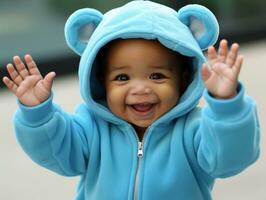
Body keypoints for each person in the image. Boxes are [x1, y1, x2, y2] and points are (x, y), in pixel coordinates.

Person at [2, 1, 260, 200]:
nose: (140, 88)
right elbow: (56, 153)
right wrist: (38, 114)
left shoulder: (195, 130)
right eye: (122, 77)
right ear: (102, 81)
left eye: (157, 76)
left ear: (183, 80)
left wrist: (227, 105)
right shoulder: (90, 128)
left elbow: (230, 159)